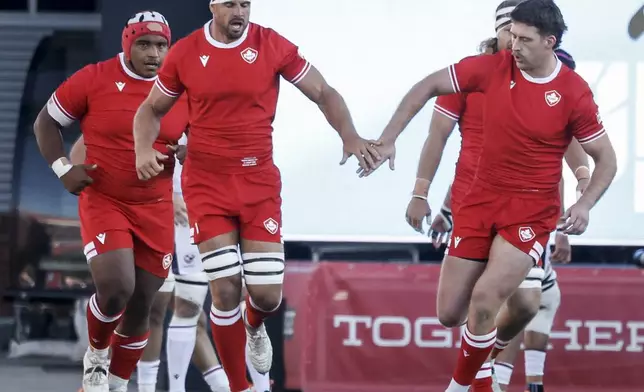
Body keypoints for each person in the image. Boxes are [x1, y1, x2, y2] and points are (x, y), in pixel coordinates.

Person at [368, 0, 617, 390]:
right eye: (510, 35)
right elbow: (427, 87)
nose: (512, 45)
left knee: (496, 300)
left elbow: (605, 158)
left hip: (531, 210)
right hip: (478, 201)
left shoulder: (572, 91)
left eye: (523, 39)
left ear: (550, 42)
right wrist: (388, 140)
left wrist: (584, 201)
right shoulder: (489, 69)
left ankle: (463, 384)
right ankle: (484, 364)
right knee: (451, 313)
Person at [132, 1, 380, 391]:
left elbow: (323, 92)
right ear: (213, 5)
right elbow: (150, 111)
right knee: (225, 286)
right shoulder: (186, 52)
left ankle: (253, 324)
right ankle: (238, 385)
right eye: (231, 4)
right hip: (207, 183)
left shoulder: (271, 45)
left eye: (246, 4)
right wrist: (143, 150)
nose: (240, 12)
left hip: (258, 182)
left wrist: (348, 134)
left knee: (265, 297)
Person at [34, 11, 186, 392]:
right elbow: (45, 122)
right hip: (106, 200)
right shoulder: (95, 78)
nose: (154, 53)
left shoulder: (182, 87)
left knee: (143, 307)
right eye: (145, 44)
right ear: (127, 43)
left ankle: (114, 385)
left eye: (161, 45)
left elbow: (201, 136)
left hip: (156, 207)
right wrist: (62, 168)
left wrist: (190, 149)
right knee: (117, 287)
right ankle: (97, 355)